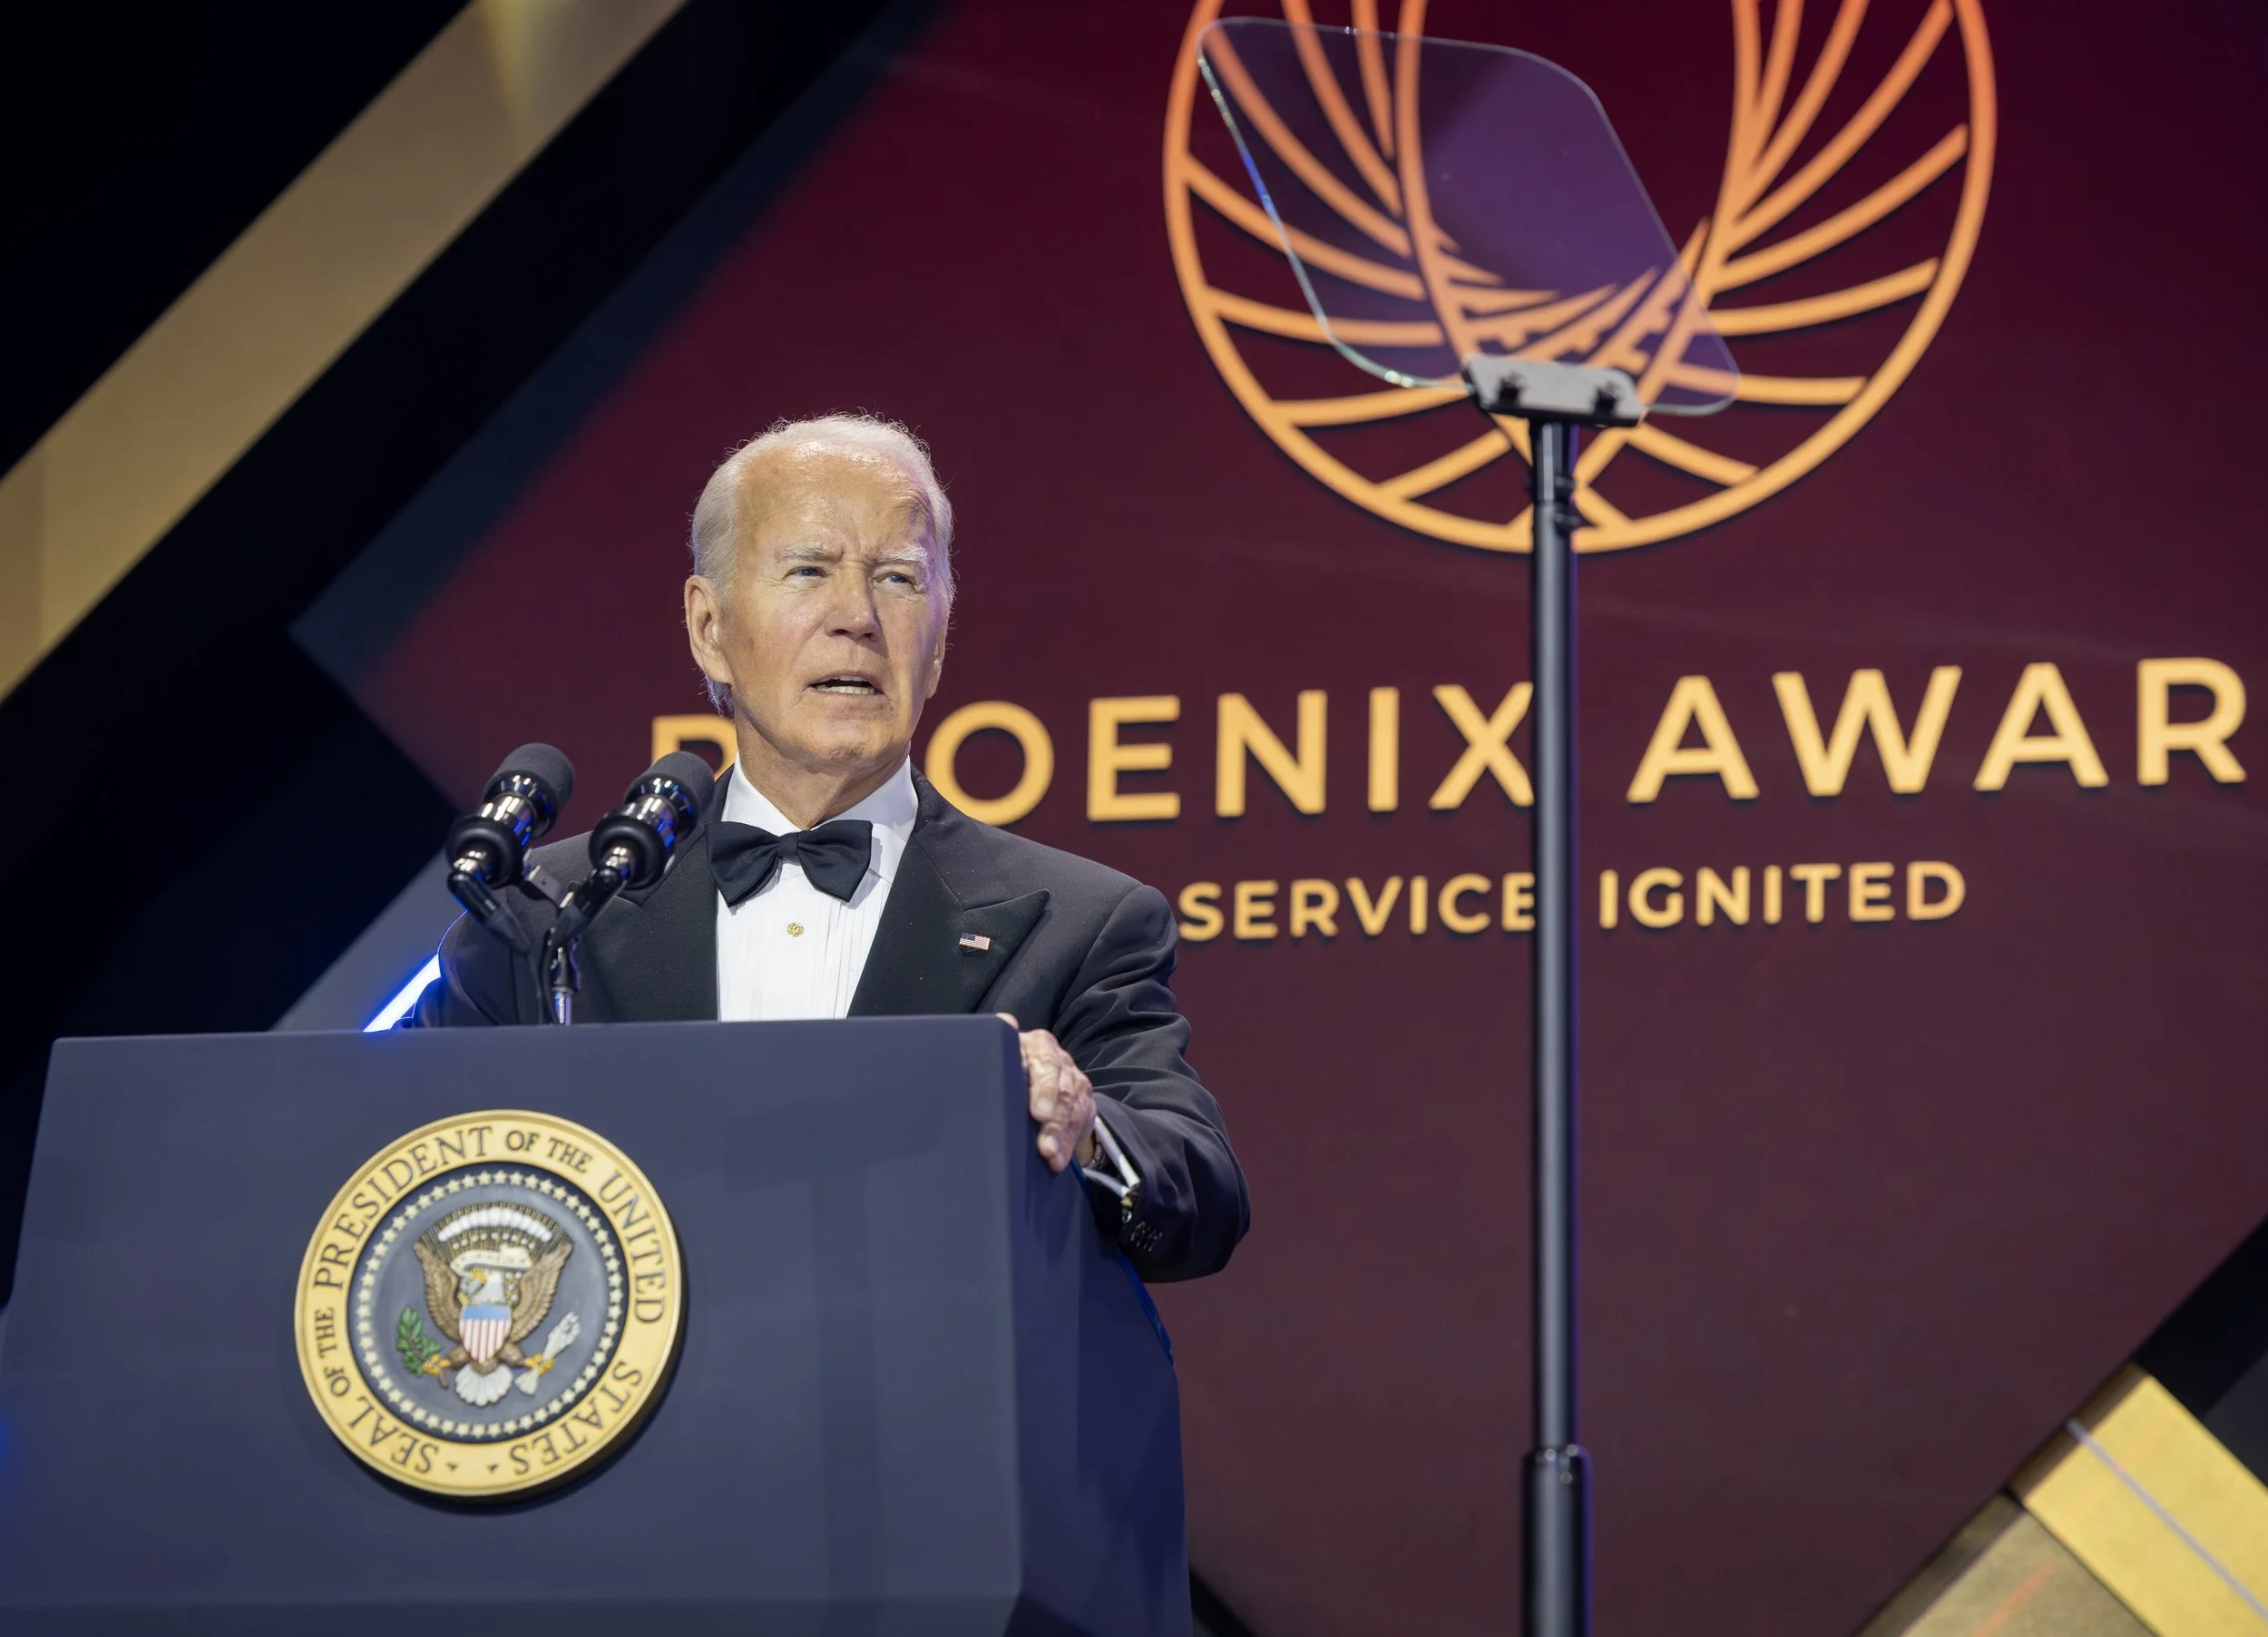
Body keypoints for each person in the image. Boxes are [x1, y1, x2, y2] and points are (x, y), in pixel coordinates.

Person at [409, 414, 1247, 1281]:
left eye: (898, 578)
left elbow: (1201, 1190)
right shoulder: (549, 910)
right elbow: (382, 1149)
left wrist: (1085, 1128)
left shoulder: (1078, 923)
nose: (858, 618)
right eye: (809, 571)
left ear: (941, 633)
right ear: (709, 627)